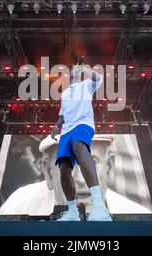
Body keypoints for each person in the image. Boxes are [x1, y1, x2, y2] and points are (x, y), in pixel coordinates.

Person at [0, 134, 152, 216]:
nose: (79, 178)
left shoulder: (142, 221)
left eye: (92, 161)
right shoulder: (20, 205)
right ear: (48, 172)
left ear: (109, 168)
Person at [49, 61, 112, 221]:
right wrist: (56, 126)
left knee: (79, 147)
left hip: (83, 124)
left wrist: (84, 68)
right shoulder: (65, 93)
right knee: (64, 167)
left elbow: (98, 78)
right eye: (72, 71)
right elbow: (62, 115)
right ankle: (72, 213)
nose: (74, 71)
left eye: (76, 70)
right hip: (66, 130)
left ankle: (99, 207)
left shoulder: (86, 84)